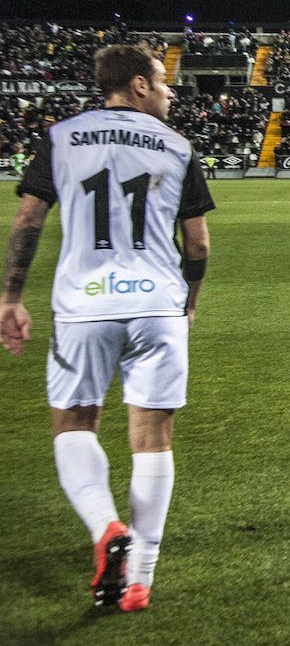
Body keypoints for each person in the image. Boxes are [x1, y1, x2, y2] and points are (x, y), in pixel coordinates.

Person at [1, 43, 214, 613]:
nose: (171, 93)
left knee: (73, 427)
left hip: (83, 305)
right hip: (158, 305)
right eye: (164, 84)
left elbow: (27, 220)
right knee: (153, 440)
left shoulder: (62, 135)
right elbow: (197, 243)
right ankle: (139, 578)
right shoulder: (177, 146)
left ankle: (105, 526)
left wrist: (10, 297)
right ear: (139, 85)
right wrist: (188, 303)